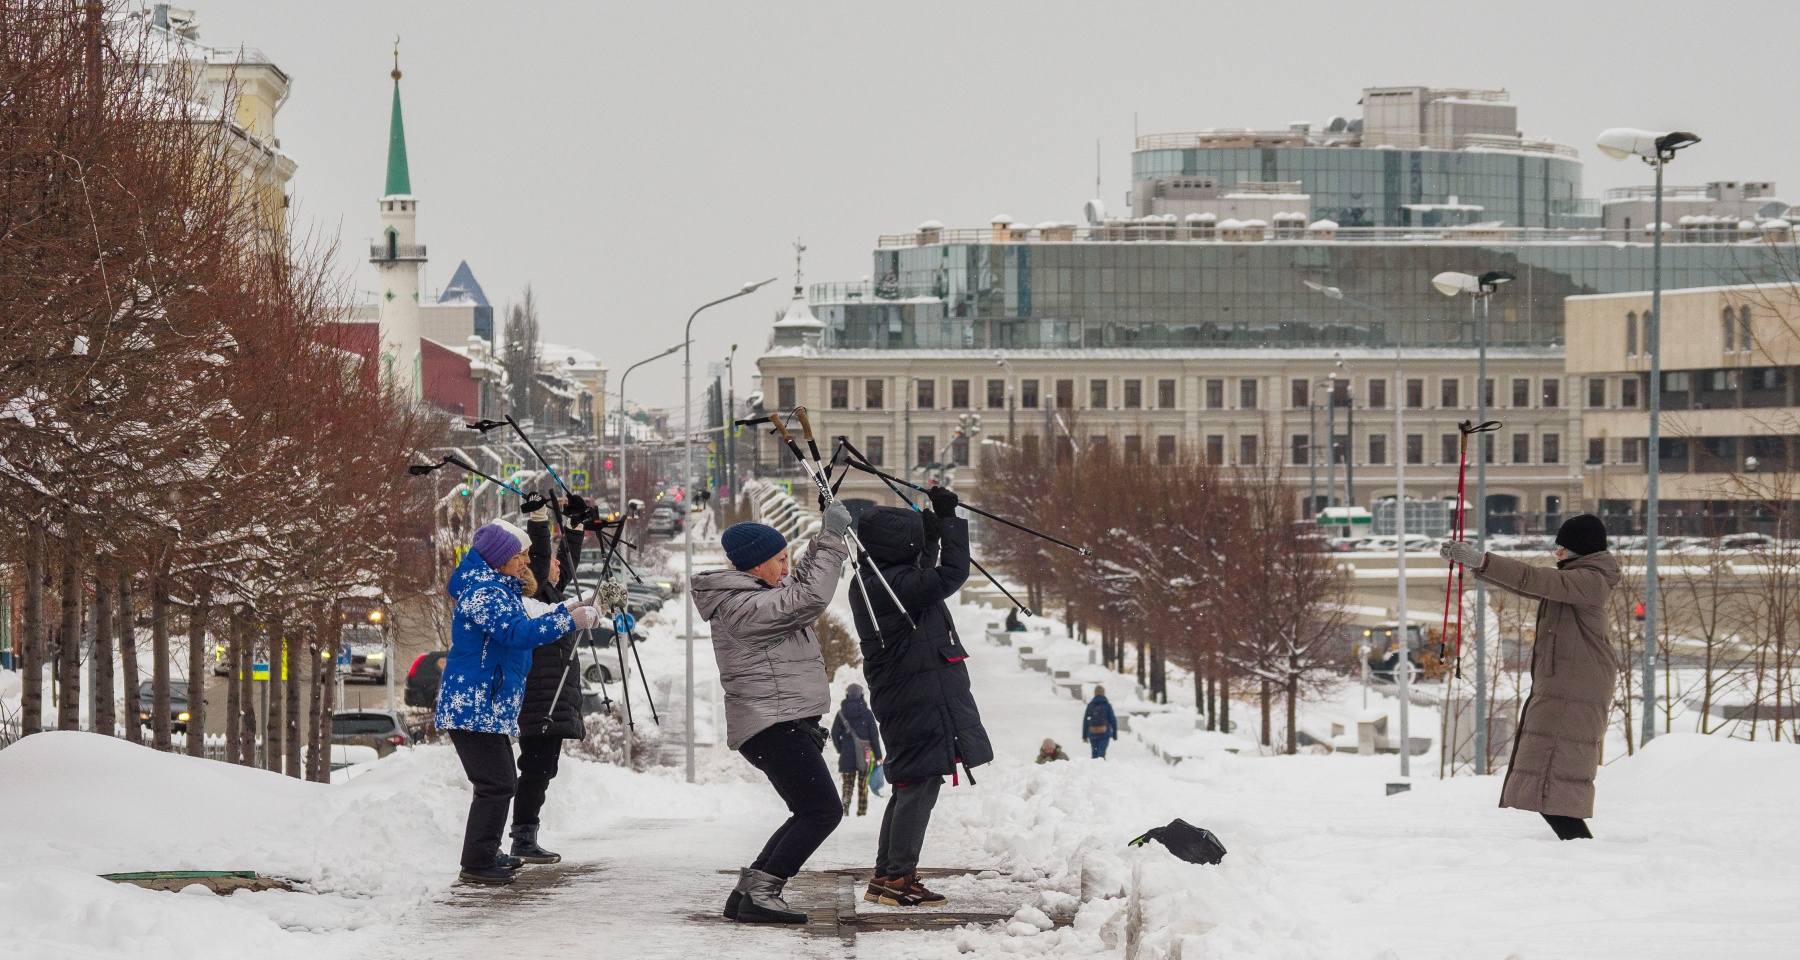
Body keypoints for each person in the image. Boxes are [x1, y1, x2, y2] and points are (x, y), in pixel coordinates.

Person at [692, 505, 852, 925]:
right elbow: (810, 595)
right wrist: (833, 541)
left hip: (781, 723)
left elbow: (799, 583)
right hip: (771, 725)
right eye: (781, 559)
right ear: (757, 565)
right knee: (822, 812)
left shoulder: (755, 595)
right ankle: (764, 890)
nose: (787, 566)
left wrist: (822, 536)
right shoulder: (742, 609)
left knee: (808, 810)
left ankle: (749, 892)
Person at [849, 486, 994, 909]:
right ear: (899, 547)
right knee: (919, 781)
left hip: (908, 694)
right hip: (916, 696)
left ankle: (888, 875)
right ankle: (898, 878)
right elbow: (949, 575)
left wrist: (931, 532)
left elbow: (923, 570)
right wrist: (948, 522)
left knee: (910, 781)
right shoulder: (893, 586)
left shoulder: (879, 578)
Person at [438, 519, 602, 886]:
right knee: (497, 784)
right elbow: (516, 634)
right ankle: (477, 863)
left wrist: (571, 610)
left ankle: (486, 852)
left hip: (488, 704)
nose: (525, 561)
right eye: (519, 554)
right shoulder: (484, 593)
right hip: (474, 704)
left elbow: (530, 617)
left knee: (501, 782)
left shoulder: (498, 590)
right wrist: (571, 621)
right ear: (499, 558)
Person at [1441, 513, 1619, 841]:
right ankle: (1579, 847)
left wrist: (1482, 559)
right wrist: (1478, 567)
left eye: (1562, 549)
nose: (1557, 554)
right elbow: (1530, 585)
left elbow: (1535, 579)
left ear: (1580, 551)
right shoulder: (1577, 582)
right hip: (1565, 687)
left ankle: (1582, 849)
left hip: (1575, 690)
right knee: (1546, 783)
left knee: (1552, 784)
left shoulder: (1588, 581)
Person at [505, 499, 590, 865]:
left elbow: (565, 562)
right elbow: (542, 557)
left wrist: (573, 527)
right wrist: (539, 521)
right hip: (541, 698)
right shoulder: (535, 595)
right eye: (551, 560)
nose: (557, 563)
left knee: (543, 769)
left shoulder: (552, 595)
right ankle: (522, 837)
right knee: (536, 770)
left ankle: (526, 835)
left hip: (552, 698)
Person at [830, 683, 882, 817]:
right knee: (863, 783)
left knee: (848, 782)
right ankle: (862, 811)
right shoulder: (867, 713)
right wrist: (878, 756)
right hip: (865, 754)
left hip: (847, 753)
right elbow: (874, 736)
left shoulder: (841, 714)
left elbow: (835, 733)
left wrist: (841, 748)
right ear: (862, 695)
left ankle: (846, 801)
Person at [1083, 686, 1118, 759]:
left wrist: (1084, 736)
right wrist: (1114, 734)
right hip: (1104, 733)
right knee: (1101, 754)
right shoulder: (1107, 705)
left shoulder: (1090, 705)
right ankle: (1101, 768)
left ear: (1095, 693)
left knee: (1094, 753)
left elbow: (1085, 721)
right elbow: (1113, 720)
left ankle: (1093, 768)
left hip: (1093, 732)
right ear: (1103, 693)